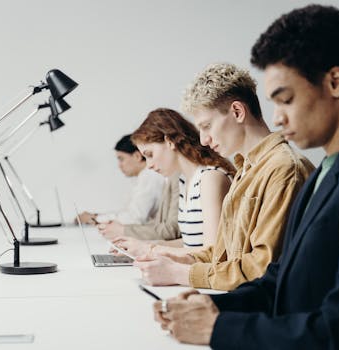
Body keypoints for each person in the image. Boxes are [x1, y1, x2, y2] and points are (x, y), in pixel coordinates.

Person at [153, 5, 339, 349]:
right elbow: (279, 281)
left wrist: (218, 330)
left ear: (335, 82)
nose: (276, 119)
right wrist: (213, 307)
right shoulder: (328, 170)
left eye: (286, 100)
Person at [133, 62, 314, 290]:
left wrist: (182, 273)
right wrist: (177, 258)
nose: (203, 140)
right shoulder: (246, 168)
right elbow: (225, 252)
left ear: (237, 112)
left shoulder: (283, 170)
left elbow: (262, 268)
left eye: (207, 126)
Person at [111, 108, 236, 258]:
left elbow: (213, 252)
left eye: (150, 155)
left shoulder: (210, 178)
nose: (148, 165)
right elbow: (191, 243)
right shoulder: (184, 181)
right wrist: (142, 246)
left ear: (169, 142)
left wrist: (151, 250)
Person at [76, 134, 164, 225]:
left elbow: (135, 218)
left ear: (137, 156)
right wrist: (97, 217)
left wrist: (96, 218)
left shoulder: (150, 177)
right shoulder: (144, 177)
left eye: (121, 159)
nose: (119, 165)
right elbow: (130, 213)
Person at [97, 173, 181, 241]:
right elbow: (158, 223)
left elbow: (171, 230)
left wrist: (123, 230)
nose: (149, 165)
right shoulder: (168, 178)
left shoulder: (154, 178)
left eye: (150, 155)